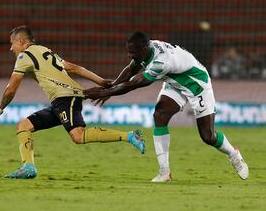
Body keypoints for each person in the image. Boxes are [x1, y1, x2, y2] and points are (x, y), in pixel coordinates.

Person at [84, 31, 249, 182]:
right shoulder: (146, 49)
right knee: (159, 115)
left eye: (133, 52)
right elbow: (130, 70)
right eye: (129, 51)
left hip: (196, 85)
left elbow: (133, 84)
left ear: (144, 48)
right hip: (175, 82)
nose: (130, 55)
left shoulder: (161, 62)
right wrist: (110, 87)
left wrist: (105, 93)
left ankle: (233, 154)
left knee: (208, 136)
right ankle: (164, 172)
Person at [0, 25, 145, 179]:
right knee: (23, 126)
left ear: (21, 41)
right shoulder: (45, 50)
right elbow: (74, 67)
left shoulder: (24, 57)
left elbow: (11, 89)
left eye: (12, 43)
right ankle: (28, 167)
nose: (11, 48)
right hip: (60, 102)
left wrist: (0, 109)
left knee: (78, 136)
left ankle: (130, 136)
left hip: (66, 98)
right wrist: (101, 81)